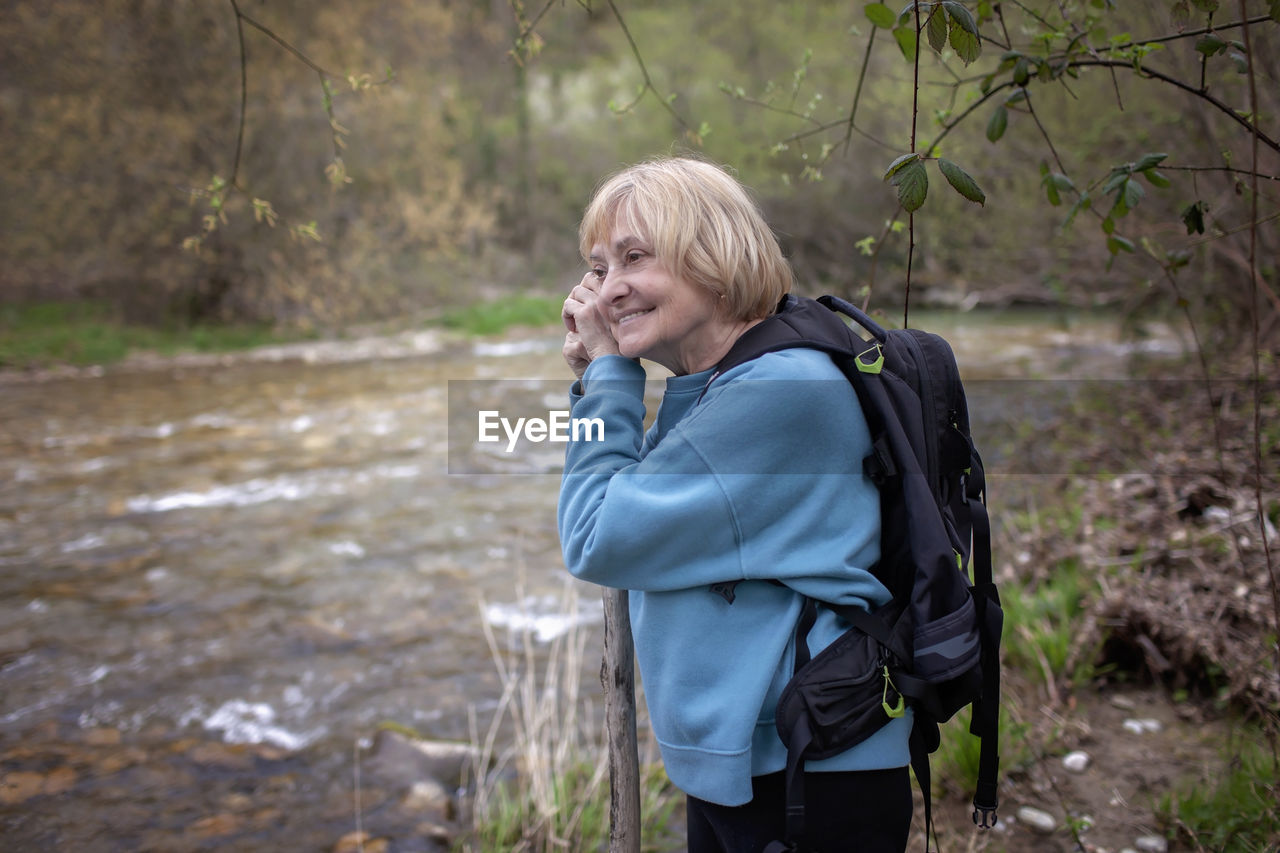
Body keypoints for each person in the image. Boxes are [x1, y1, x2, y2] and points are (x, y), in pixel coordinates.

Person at [557, 156, 913, 853]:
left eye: (635, 257)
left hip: (811, 765)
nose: (607, 290)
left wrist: (609, 378)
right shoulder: (727, 382)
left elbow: (597, 536)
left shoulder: (778, 391)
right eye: (598, 268)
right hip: (756, 759)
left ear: (711, 257)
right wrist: (604, 376)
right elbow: (633, 506)